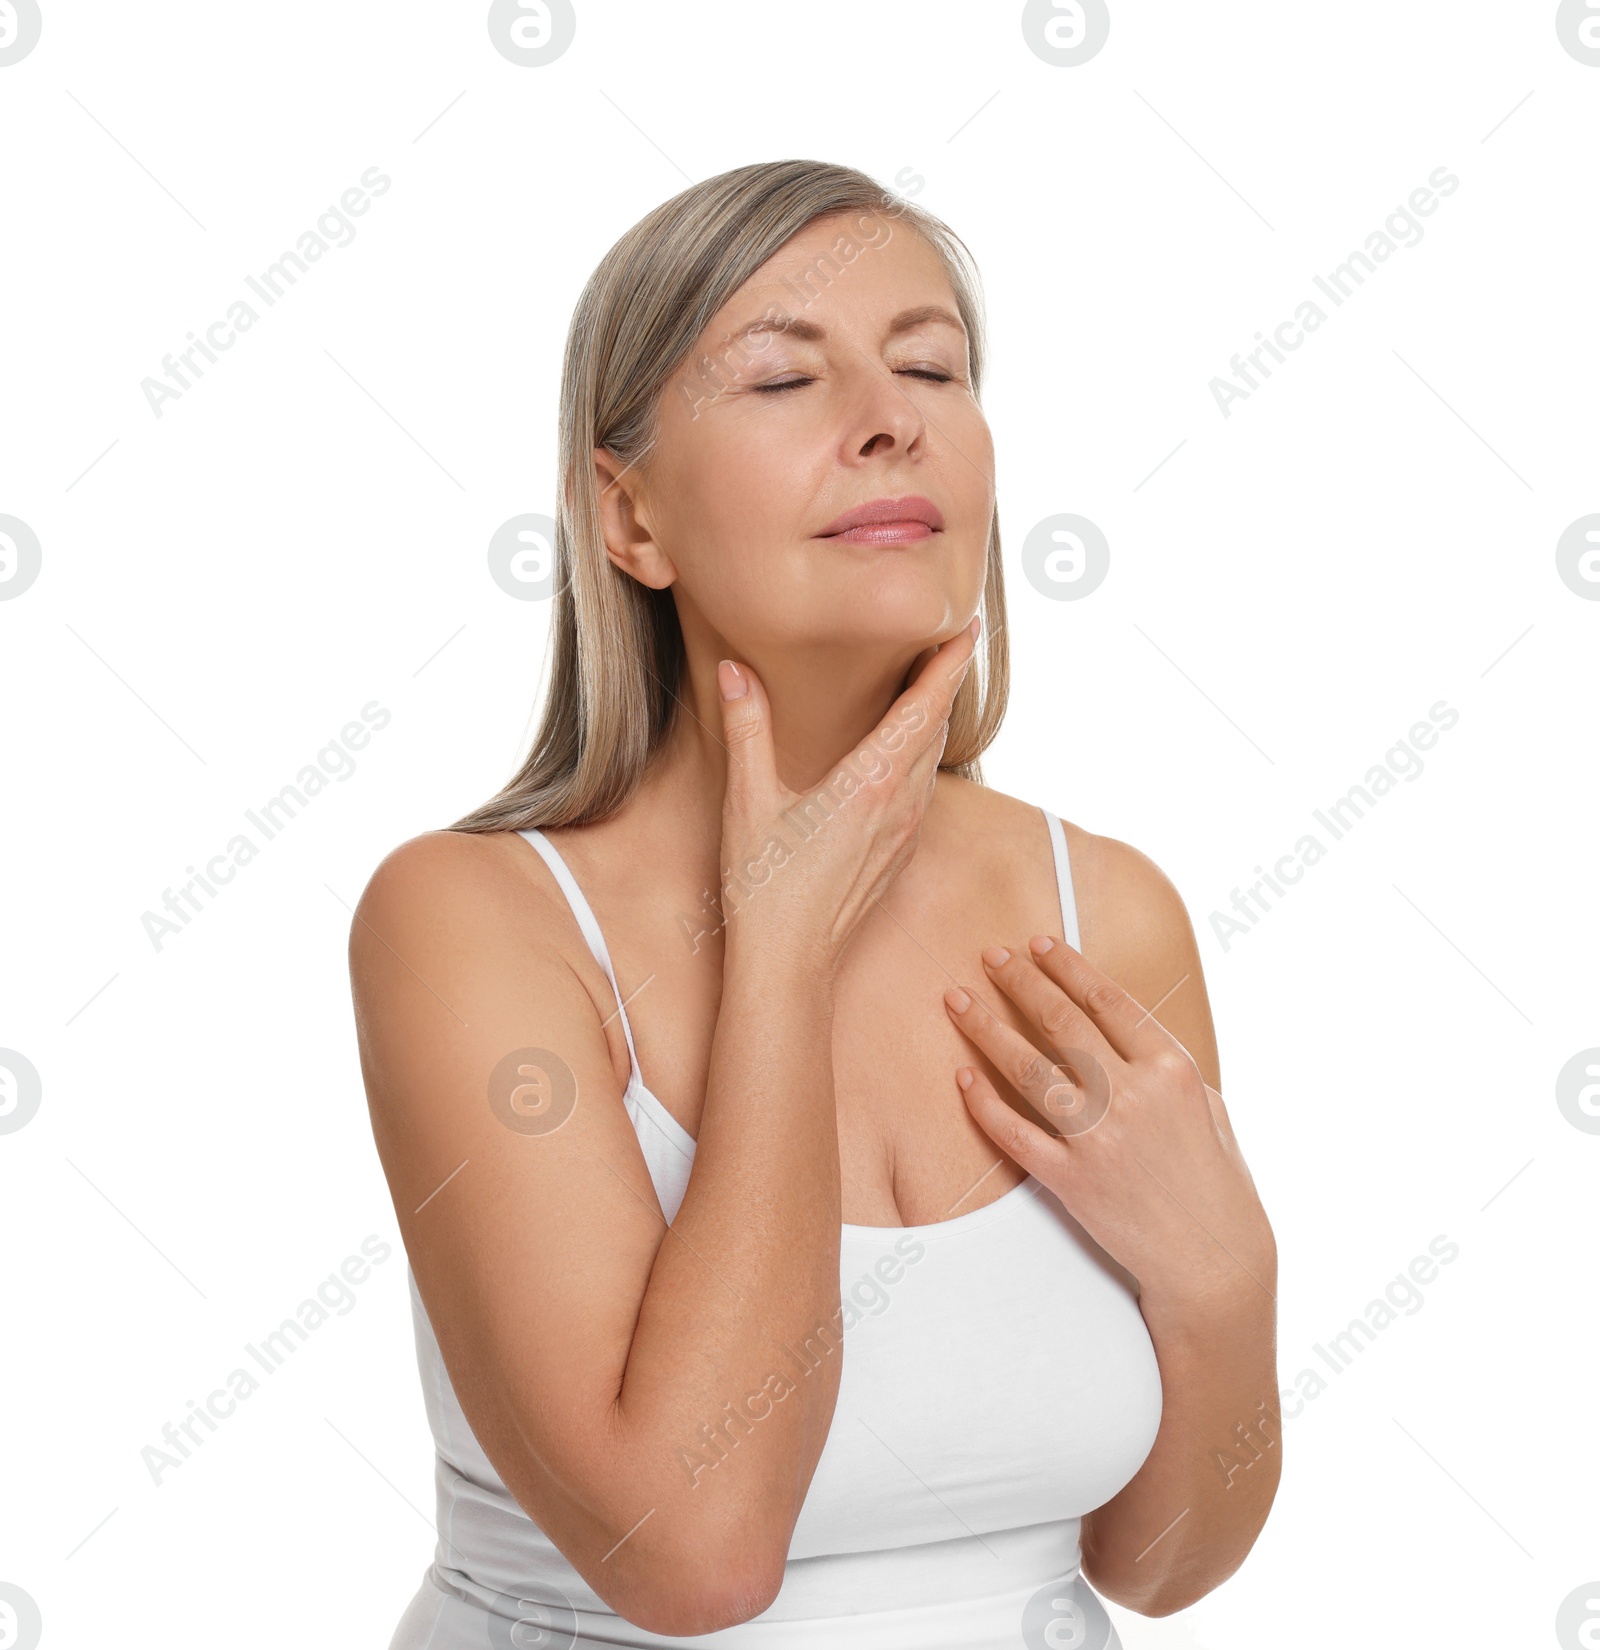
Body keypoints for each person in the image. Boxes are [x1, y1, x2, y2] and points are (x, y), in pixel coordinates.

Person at [349, 159, 1280, 1649]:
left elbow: (1163, 1562)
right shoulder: (471, 923)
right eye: (784, 376)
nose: (891, 414)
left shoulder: (1109, 908)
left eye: (931, 365)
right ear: (628, 515)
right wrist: (778, 948)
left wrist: (1229, 1276)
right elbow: (692, 1556)